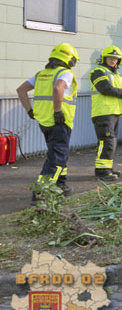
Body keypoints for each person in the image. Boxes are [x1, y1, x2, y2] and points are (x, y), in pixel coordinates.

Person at [16, 43, 80, 203]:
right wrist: (58, 110)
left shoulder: (41, 74)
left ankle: (61, 185)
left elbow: (21, 90)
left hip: (44, 121)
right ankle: (40, 194)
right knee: (56, 158)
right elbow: (59, 88)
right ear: (69, 59)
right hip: (59, 120)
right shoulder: (65, 73)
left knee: (57, 153)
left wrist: (29, 110)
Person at [90, 46, 122, 181]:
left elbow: (121, 90)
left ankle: (106, 168)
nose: (113, 61)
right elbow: (106, 89)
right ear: (104, 58)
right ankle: (102, 172)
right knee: (107, 142)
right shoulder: (97, 72)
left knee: (109, 142)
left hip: (114, 112)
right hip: (103, 112)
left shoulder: (117, 75)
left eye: (116, 59)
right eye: (110, 58)